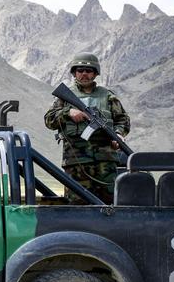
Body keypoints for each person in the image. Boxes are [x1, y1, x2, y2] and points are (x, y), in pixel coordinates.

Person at [44, 52, 130, 204]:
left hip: (106, 163)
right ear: (74, 73)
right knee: (77, 206)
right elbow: (49, 120)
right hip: (76, 163)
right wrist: (68, 112)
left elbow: (123, 120)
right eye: (80, 70)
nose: (84, 74)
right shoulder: (64, 97)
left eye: (88, 71)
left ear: (95, 73)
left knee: (109, 205)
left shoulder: (108, 96)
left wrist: (119, 134)